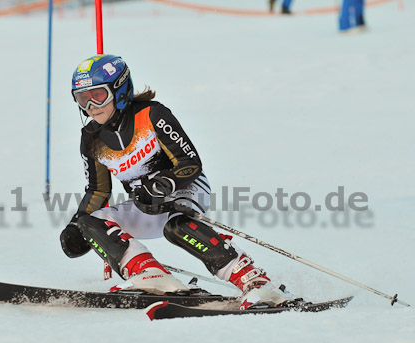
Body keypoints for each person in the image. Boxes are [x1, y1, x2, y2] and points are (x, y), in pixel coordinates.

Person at [59, 54, 292, 310]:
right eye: (83, 98)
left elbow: (190, 163)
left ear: (120, 89)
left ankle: (255, 282)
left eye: (99, 95)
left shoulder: (151, 114)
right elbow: (98, 190)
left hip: (187, 188)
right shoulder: (91, 138)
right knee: (90, 221)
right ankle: (149, 274)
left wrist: (162, 185)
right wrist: (76, 225)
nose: (91, 105)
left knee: (177, 226)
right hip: (145, 204)